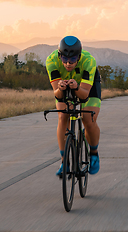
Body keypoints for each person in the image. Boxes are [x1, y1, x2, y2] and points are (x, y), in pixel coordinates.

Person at [46, 36, 101, 176]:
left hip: (86, 87)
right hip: (65, 87)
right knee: (62, 116)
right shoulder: (51, 61)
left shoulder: (89, 61)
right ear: (60, 56)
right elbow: (57, 95)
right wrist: (60, 88)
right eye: (64, 59)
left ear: (79, 56)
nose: (68, 63)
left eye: (73, 59)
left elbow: (84, 96)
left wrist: (76, 88)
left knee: (88, 118)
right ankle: (64, 161)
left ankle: (94, 153)